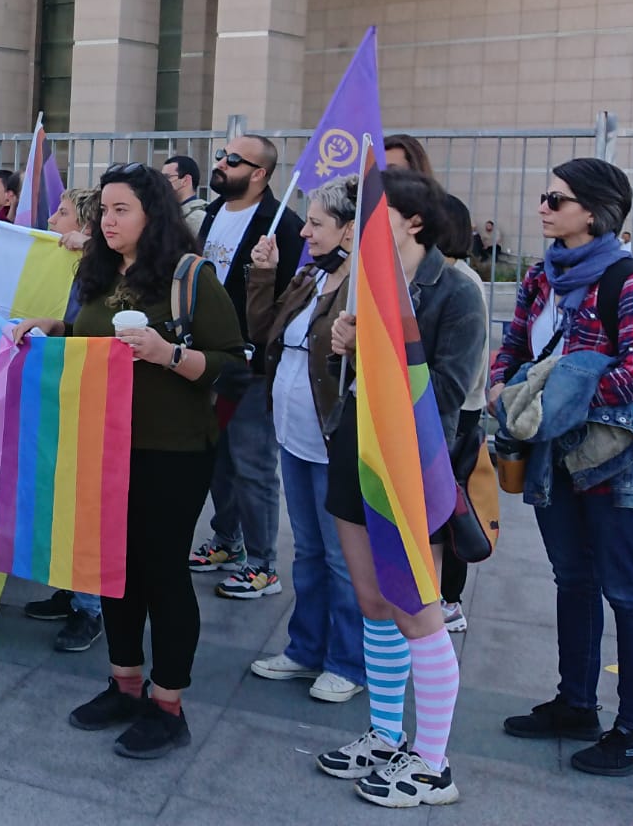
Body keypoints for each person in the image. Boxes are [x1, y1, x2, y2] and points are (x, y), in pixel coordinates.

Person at [12, 163, 245, 758]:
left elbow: (234, 363)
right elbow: (91, 338)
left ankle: (168, 706)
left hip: (173, 450)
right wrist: (55, 327)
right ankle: (124, 684)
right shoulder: (96, 269)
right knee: (112, 570)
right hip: (103, 441)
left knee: (162, 573)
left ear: (153, 216)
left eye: (122, 211)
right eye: (104, 211)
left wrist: (169, 355)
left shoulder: (190, 276)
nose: (108, 222)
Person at [488, 158, 633, 778]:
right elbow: (514, 346)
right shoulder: (541, 276)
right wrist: (500, 389)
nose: (542, 207)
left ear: (592, 211)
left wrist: (555, 398)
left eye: (555, 199)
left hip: (613, 459)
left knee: (629, 592)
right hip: (550, 453)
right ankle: (576, 704)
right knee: (573, 579)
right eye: (545, 197)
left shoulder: (629, 281)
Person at [311, 168, 482, 808]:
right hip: (357, 446)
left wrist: (375, 349)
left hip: (415, 461)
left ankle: (432, 764)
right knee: (374, 600)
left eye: (367, 216)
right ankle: (387, 736)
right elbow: (350, 373)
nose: (354, 231)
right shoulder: (366, 281)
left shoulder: (455, 291)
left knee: (417, 607)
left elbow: (444, 393)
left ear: (411, 221)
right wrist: (341, 348)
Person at [243, 177, 366, 703]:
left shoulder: (361, 285)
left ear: (349, 229)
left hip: (332, 440)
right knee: (309, 552)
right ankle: (305, 649)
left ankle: (349, 662)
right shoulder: (310, 274)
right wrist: (263, 274)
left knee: (342, 559)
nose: (305, 231)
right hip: (293, 435)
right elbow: (263, 329)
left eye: (317, 223)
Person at [191, 134, 302, 603]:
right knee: (215, 456)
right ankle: (227, 539)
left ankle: (262, 564)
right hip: (206, 356)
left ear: (259, 173)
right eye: (220, 154)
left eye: (233, 159)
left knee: (253, 463)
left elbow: (290, 302)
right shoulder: (214, 213)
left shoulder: (283, 226)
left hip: (251, 363)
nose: (220, 163)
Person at [23, 185, 108, 653]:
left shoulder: (105, 272)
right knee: (60, 501)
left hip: (92, 401)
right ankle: (73, 590)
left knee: (86, 504)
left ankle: (91, 608)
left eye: (63, 213)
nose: (53, 220)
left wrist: (91, 250)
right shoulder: (72, 266)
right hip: (65, 393)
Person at [434, 194, 487, 633]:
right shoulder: (445, 277)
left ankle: (449, 598)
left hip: (460, 413)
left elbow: (467, 372)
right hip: (453, 408)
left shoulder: (462, 282)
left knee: (450, 507)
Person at [162, 155, 205, 224]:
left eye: (167, 177)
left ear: (185, 180)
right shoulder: (171, 212)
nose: (162, 181)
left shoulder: (197, 218)